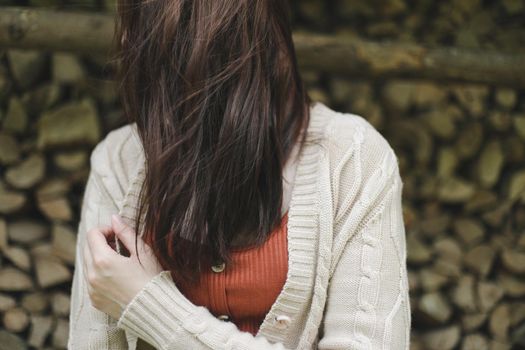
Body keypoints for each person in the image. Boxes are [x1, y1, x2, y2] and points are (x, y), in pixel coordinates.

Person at [67, 1, 411, 349]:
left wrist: (148, 305)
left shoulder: (352, 158)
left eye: (142, 32)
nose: (125, 42)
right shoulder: (118, 161)